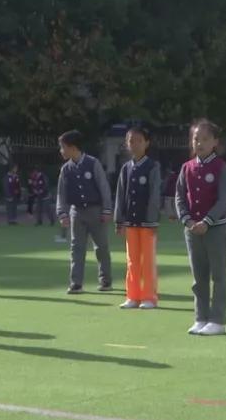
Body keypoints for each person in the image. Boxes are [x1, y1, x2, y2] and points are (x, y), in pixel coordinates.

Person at [176, 119, 226, 336]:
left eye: (205, 139)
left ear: (215, 142)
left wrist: (207, 221)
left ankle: (217, 320)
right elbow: (180, 197)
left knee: (218, 275)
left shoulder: (221, 167)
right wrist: (187, 220)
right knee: (198, 277)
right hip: (192, 230)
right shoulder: (187, 167)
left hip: (214, 229)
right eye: (196, 138)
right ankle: (200, 317)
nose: (199, 143)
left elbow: (224, 199)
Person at [56, 130, 113, 294]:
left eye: (63, 147)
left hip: (95, 210)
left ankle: (105, 280)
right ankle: (76, 283)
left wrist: (107, 209)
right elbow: (61, 193)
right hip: (77, 212)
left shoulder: (92, 163)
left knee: (101, 247)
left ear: (72, 147)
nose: (61, 151)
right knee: (76, 248)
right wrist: (63, 213)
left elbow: (104, 187)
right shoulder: (65, 169)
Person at [114, 126, 162, 310]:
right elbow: (120, 195)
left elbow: (154, 195)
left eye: (139, 140)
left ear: (147, 143)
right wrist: (120, 220)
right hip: (130, 222)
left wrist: (152, 220)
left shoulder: (152, 167)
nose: (134, 144)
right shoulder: (126, 168)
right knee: (132, 260)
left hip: (147, 222)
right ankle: (132, 296)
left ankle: (149, 296)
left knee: (147, 261)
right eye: (131, 141)